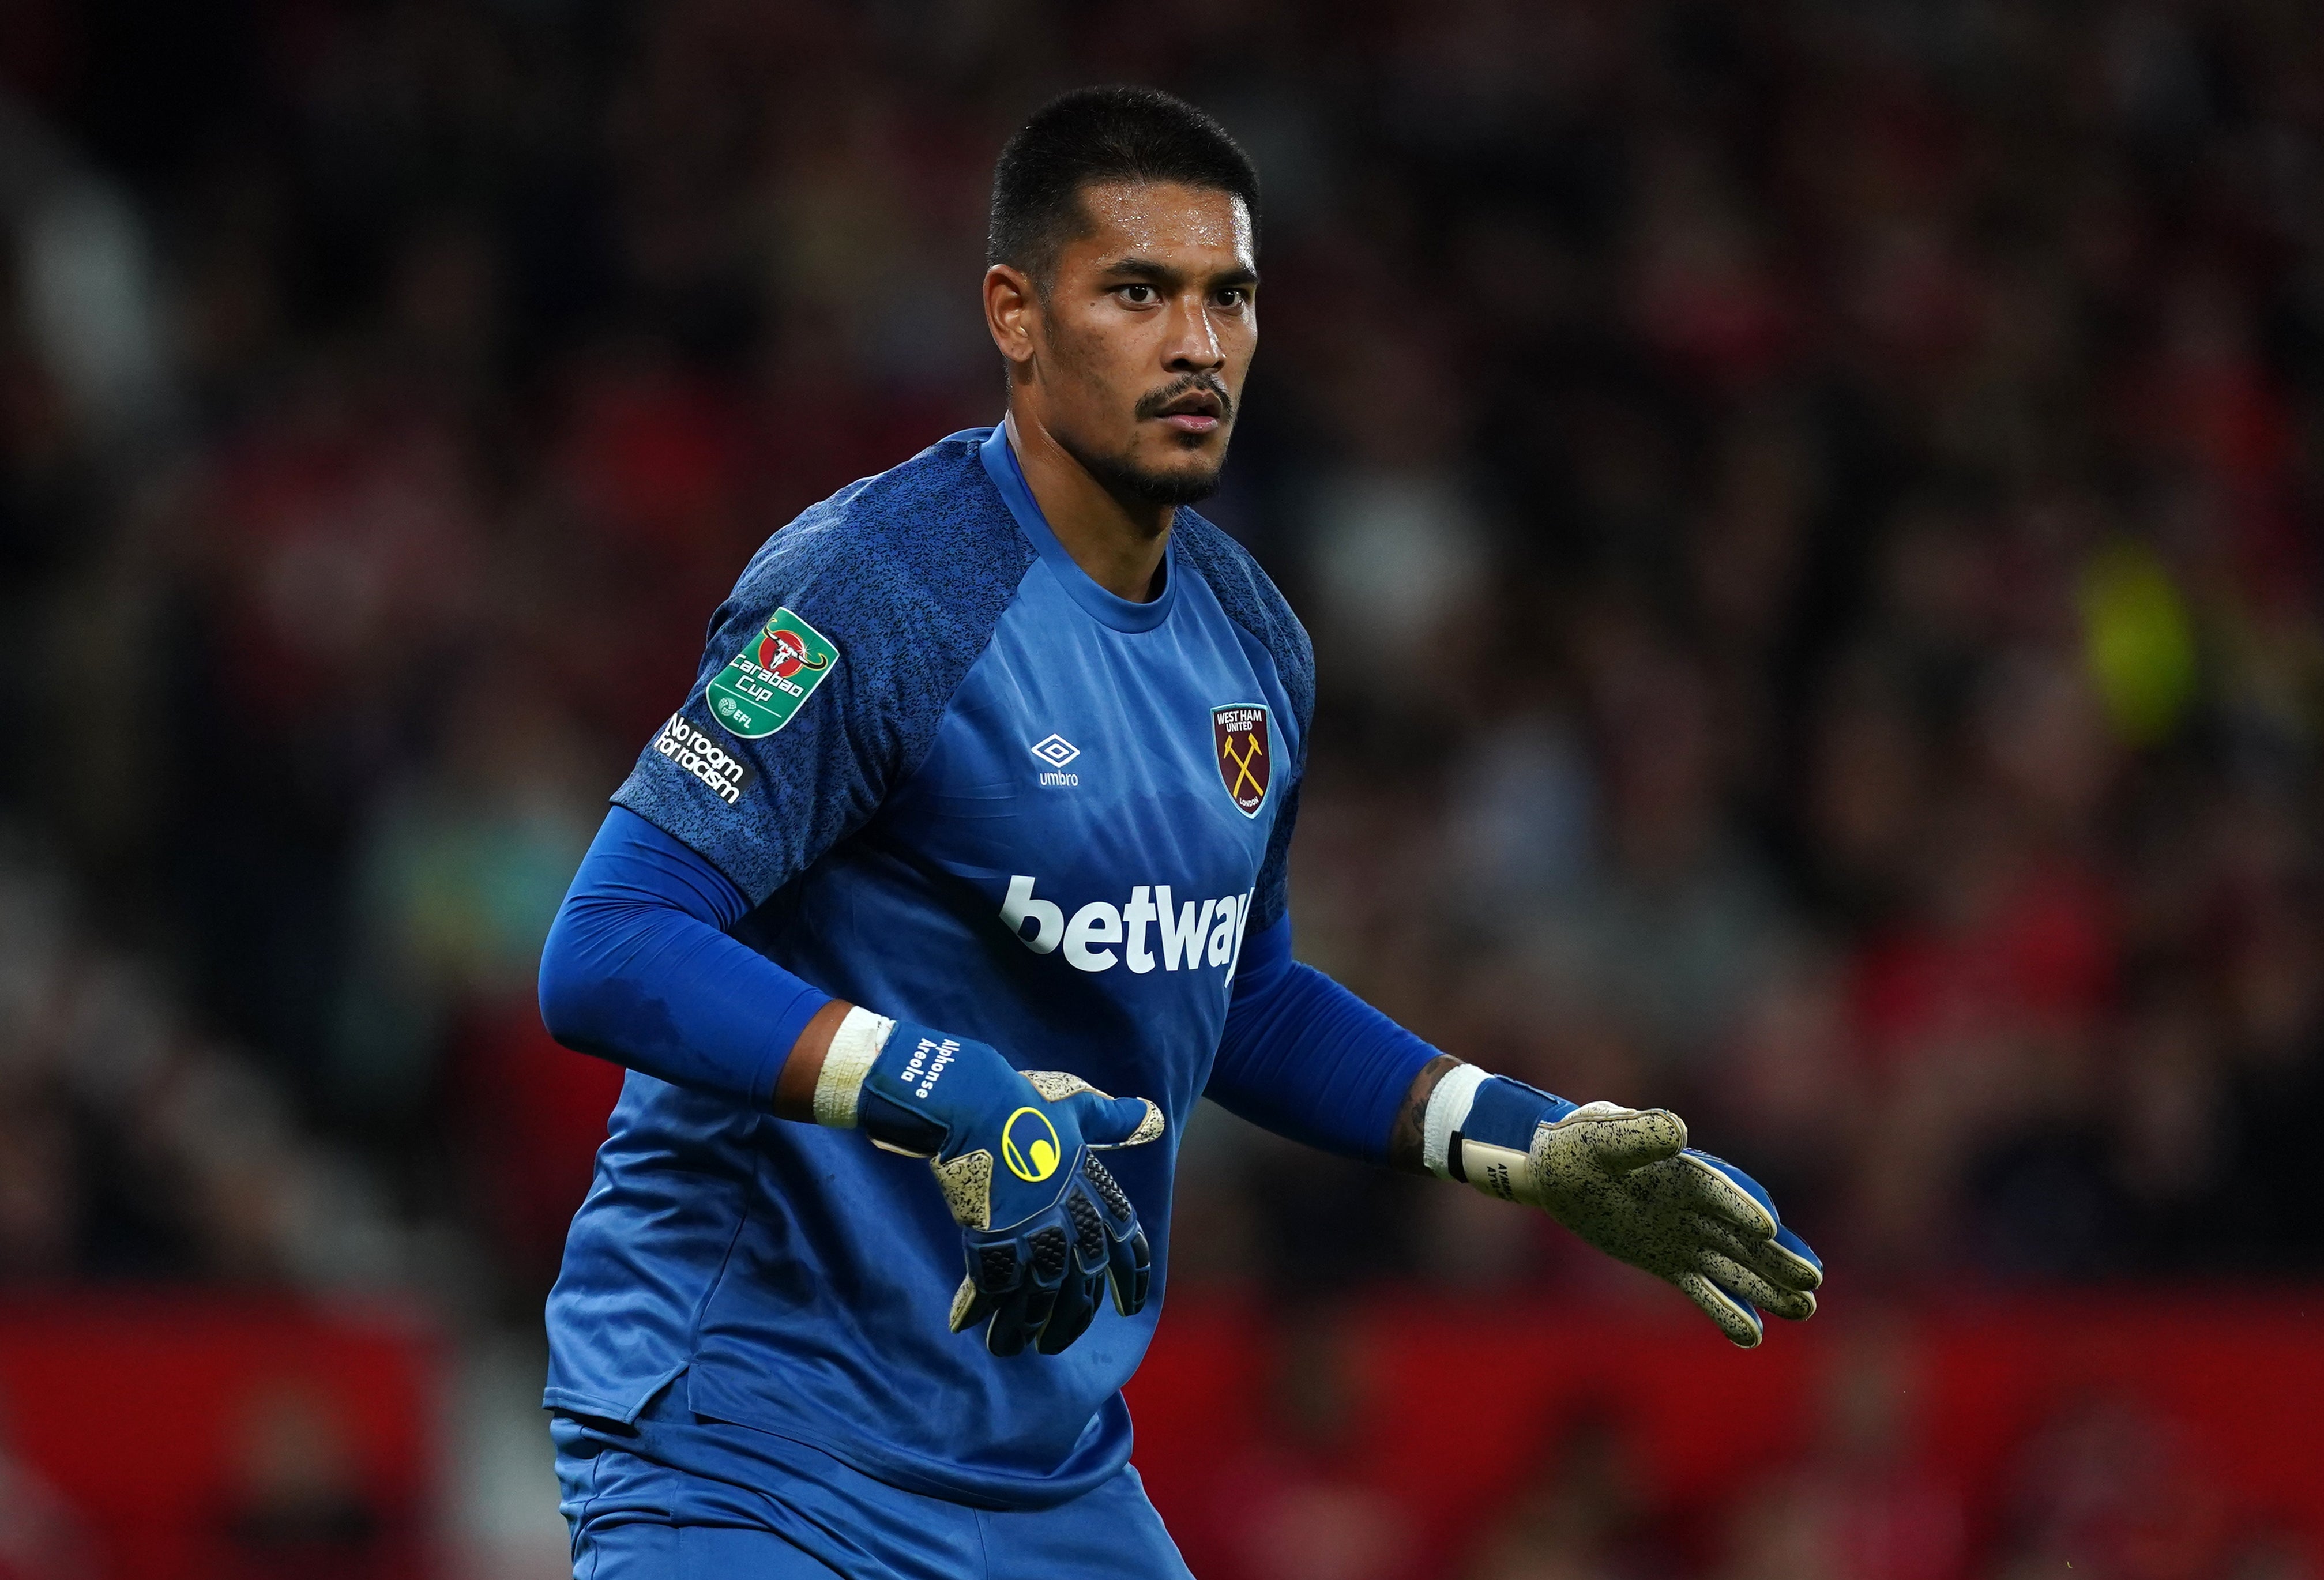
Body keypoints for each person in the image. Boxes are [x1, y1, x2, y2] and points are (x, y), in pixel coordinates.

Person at [535, 85, 1822, 1580]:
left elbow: (1239, 992)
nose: (1198, 343)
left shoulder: (1253, 640)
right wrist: (942, 1089)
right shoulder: (877, 586)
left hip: (1040, 1471)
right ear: (1015, 314)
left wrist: (1522, 1141)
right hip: (749, 1439)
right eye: (1138, 292)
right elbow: (609, 947)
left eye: (1231, 297)